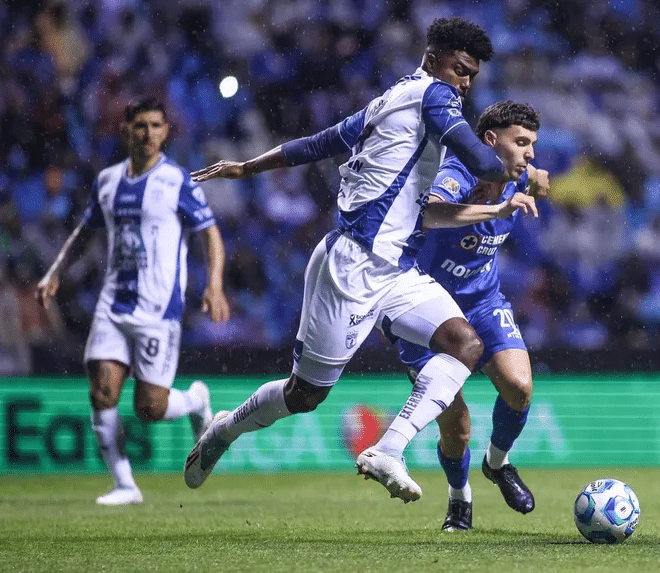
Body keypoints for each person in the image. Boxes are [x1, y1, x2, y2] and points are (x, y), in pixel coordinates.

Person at [184, 17, 539, 503]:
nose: (466, 82)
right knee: (303, 396)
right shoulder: (434, 96)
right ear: (433, 58)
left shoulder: (390, 100)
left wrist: (248, 166)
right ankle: (223, 430)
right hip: (353, 265)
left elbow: (320, 143)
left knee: (464, 343)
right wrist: (521, 173)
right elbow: (479, 162)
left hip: (398, 270)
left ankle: (388, 450)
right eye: (460, 69)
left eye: (472, 75)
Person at [37, 97, 230, 505]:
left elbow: (210, 233)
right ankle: (125, 484)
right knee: (102, 393)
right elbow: (85, 231)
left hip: (159, 311)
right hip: (112, 304)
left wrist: (214, 285)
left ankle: (196, 401)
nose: (148, 134)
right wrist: (55, 270)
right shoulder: (107, 181)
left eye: (156, 126)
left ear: (166, 131)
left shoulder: (177, 180)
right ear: (125, 130)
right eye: (140, 126)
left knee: (149, 408)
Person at [391, 101, 546, 530]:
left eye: (532, 144)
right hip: (428, 311)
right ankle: (460, 498)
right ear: (490, 142)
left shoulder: (521, 175)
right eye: (521, 143)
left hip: (483, 303)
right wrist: (497, 210)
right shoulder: (458, 170)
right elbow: (431, 212)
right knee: (456, 429)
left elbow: (540, 180)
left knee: (519, 386)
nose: (530, 153)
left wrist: (538, 182)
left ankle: (497, 464)